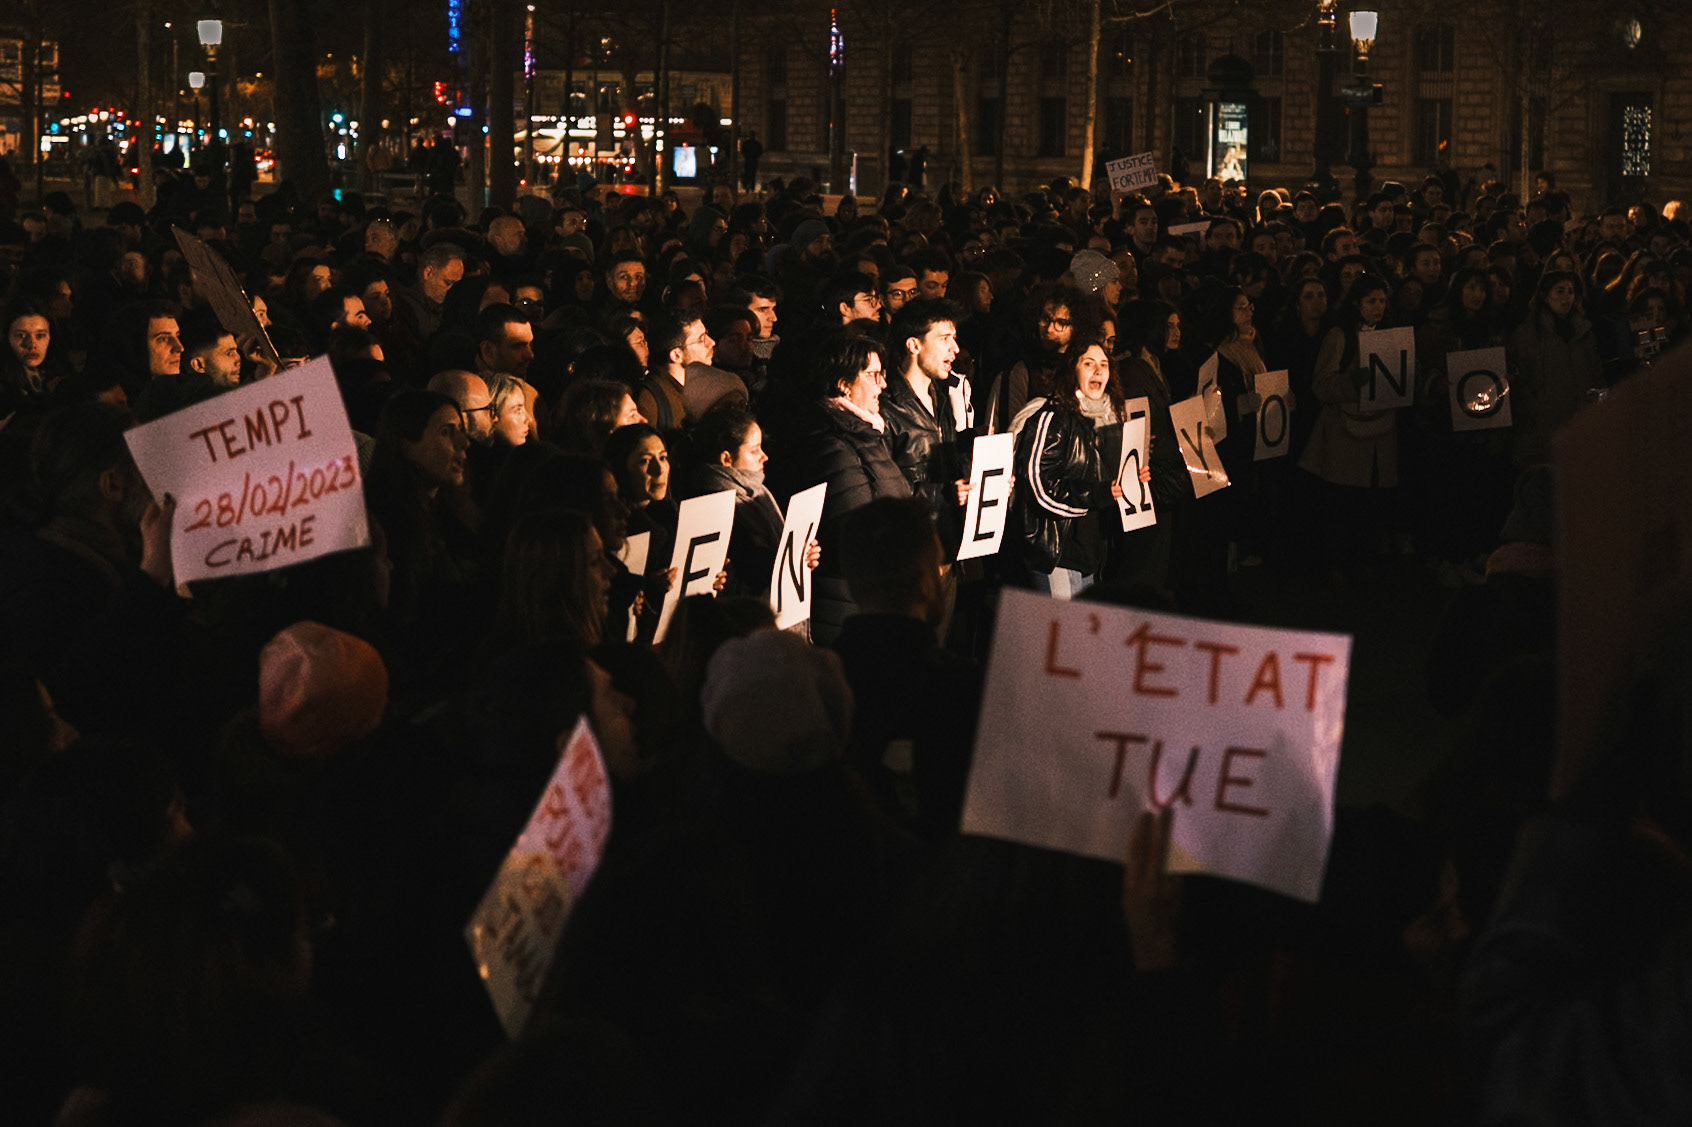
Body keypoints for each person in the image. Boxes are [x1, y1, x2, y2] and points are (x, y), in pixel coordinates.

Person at [790, 334, 913, 642]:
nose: (882, 385)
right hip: (847, 606)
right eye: (873, 376)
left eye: (883, 374)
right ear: (843, 384)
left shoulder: (866, 435)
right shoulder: (834, 444)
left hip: (871, 599)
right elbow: (855, 528)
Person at [1007, 337, 1131, 599]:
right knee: (1064, 637)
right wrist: (1099, 493)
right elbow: (1039, 485)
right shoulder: (1052, 416)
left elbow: (1106, 482)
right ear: (1072, 370)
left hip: (1091, 551)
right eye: (1089, 364)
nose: (1098, 371)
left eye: (1104, 364)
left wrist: (1131, 480)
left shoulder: (1110, 419)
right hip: (1058, 554)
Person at [682, 403, 820, 600]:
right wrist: (788, 561)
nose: (764, 456)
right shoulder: (711, 506)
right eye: (755, 450)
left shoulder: (755, 495)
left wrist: (801, 557)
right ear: (726, 459)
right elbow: (742, 578)